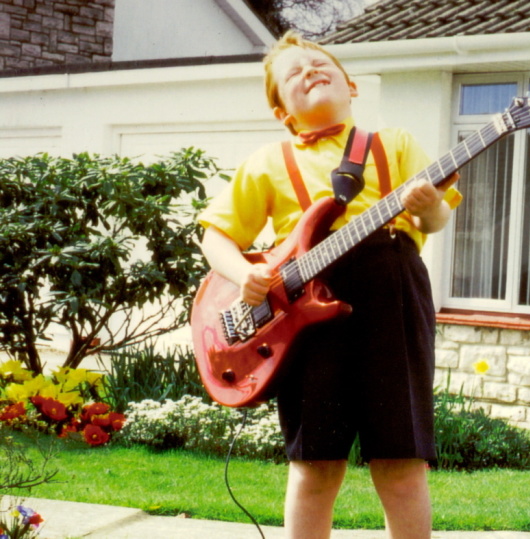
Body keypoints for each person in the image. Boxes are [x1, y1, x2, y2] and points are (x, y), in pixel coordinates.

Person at [197, 30, 461, 539]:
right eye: (293, 73)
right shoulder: (267, 162)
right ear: (282, 112)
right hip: (303, 315)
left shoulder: (395, 145)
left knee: (402, 460)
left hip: (393, 296)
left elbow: (432, 225)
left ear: (352, 85)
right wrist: (245, 274)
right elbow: (216, 238)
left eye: (320, 64)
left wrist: (429, 209)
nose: (309, 71)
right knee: (314, 466)